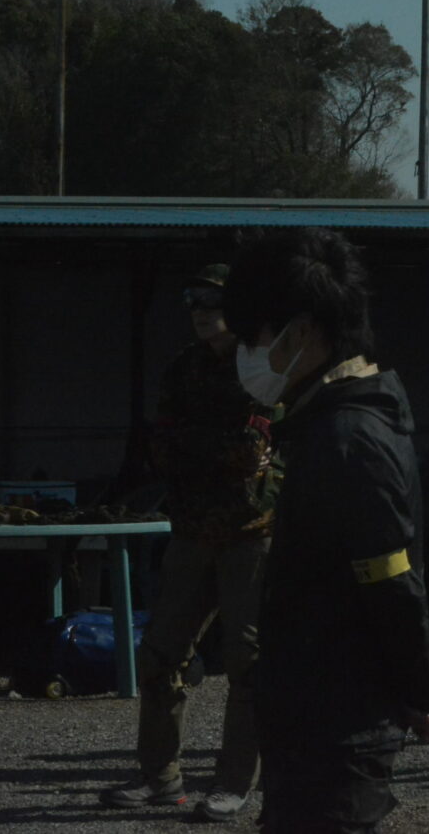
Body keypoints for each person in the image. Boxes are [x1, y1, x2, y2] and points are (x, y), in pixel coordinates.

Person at [221, 228, 429, 833]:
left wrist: (423, 688)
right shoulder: (328, 425)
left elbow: (391, 584)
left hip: (336, 724)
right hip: (320, 715)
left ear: (302, 331)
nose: (246, 353)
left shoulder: (348, 440)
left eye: (254, 337)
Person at [100, 264, 281, 822]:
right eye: (192, 300)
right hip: (192, 529)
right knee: (160, 653)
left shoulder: (265, 365)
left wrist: (195, 445)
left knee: (247, 662)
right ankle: (159, 777)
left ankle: (234, 783)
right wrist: (210, 447)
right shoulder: (185, 365)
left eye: (212, 300)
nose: (201, 310)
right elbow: (160, 446)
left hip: (251, 532)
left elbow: (250, 450)